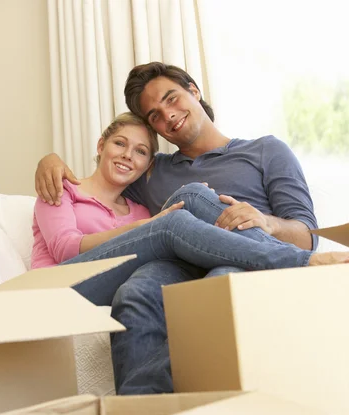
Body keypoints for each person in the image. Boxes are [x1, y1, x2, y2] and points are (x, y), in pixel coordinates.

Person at [34, 62, 344, 394]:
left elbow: (305, 236)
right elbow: (106, 178)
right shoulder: (153, 168)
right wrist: (48, 159)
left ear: (194, 91)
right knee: (135, 291)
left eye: (172, 98)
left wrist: (266, 222)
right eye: (154, 115)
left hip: (245, 262)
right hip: (176, 266)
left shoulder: (265, 150)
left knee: (216, 268)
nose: (166, 115)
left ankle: (139, 403)